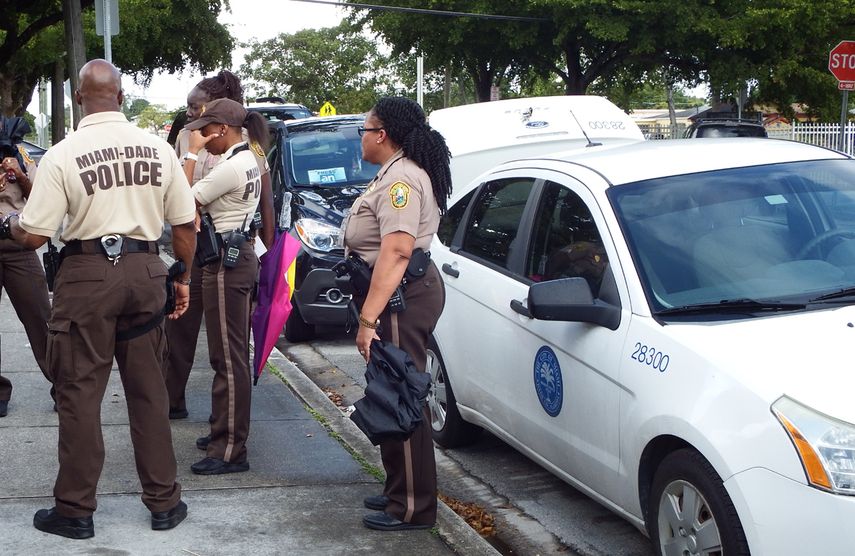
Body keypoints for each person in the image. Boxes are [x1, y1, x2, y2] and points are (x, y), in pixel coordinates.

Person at [0, 59, 197, 539]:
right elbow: (185, 225)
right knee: (149, 392)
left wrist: (6, 221)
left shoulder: (64, 154)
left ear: (78, 100)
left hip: (86, 275)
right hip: (148, 268)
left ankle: (75, 510)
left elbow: (34, 234)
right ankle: (164, 502)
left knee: (79, 394)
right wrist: (182, 279)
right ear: (123, 99)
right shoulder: (158, 149)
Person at [342, 96, 451, 531]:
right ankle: (397, 491)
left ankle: (412, 506)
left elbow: (398, 249)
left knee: (403, 398)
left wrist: (368, 320)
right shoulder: (391, 174)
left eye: (364, 130)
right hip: (395, 295)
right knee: (390, 392)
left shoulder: (401, 179)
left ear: (382, 135)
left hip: (401, 297)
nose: (361, 139)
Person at [164, 70, 274, 427]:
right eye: (189, 109)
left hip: (225, 246)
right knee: (180, 327)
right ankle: (172, 400)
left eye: (195, 107)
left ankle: (226, 432)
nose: (190, 115)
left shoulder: (244, 150)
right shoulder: (186, 135)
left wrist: (267, 257)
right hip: (194, 246)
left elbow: (265, 202)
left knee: (226, 348)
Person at [180, 97, 269, 475]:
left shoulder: (232, 167)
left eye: (205, 130)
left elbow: (180, 203)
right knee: (229, 356)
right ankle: (223, 432)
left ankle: (230, 449)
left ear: (222, 129)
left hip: (225, 264)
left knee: (228, 361)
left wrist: (190, 155)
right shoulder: (250, 157)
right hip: (239, 257)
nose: (201, 136)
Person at [0, 118, 53, 417]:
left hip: (19, 245)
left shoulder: (21, 154)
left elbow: (41, 199)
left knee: (41, 318)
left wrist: (19, 175)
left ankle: (64, 385)